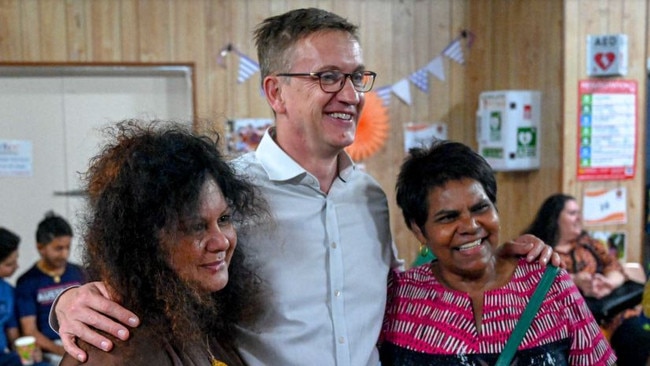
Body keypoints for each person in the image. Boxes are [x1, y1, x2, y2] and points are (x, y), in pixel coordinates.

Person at [50, 8, 558, 366]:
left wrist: (507, 257)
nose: (351, 95)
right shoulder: (227, 197)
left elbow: (407, 289)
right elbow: (151, 278)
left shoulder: (372, 198)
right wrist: (66, 301)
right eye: (329, 77)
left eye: (358, 77)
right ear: (277, 91)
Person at [379, 140, 615, 365]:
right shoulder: (400, 300)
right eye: (448, 217)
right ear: (419, 230)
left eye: (481, 208)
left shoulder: (549, 285)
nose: (470, 226)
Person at [58, 120, 267, 365]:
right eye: (196, 227)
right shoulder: (120, 344)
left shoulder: (195, 314)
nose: (221, 241)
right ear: (146, 241)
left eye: (224, 219)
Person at [523, 193, 628, 300]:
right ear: (555, 218)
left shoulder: (590, 244)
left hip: (605, 308)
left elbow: (615, 267)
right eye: (572, 213)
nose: (579, 218)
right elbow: (531, 283)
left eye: (579, 213)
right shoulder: (537, 250)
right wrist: (574, 280)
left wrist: (608, 283)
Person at [15, 212, 85, 365]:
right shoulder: (27, 282)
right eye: (58, 248)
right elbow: (30, 331)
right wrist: (65, 351)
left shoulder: (80, 273)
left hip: (83, 344)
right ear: (41, 247)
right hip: (51, 352)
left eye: (67, 247)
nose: (64, 254)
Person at [0, 228, 24, 366]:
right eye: (9, 264)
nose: (16, 267)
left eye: (16, 261)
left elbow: (13, 337)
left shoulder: (8, 292)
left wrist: (28, 352)